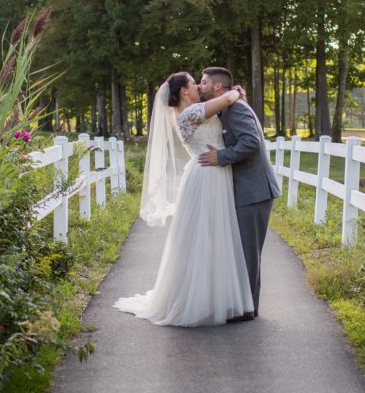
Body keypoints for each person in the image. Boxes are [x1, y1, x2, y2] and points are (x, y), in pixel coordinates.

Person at [114, 72, 255, 326]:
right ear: (183, 92)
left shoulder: (195, 110)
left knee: (214, 237)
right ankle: (195, 300)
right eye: (193, 83)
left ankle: (213, 297)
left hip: (213, 173)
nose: (197, 86)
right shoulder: (190, 113)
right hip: (207, 176)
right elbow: (225, 101)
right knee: (204, 238)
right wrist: (236, 92)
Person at [197, 67, 281, 321]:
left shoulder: (237, 109)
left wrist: (221, 157)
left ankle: (249, 309)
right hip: (244, 188)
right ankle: (242, 303)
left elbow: (251, 141)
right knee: (241, 249)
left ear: (218, 87)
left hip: (254, 190)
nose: (200, 87)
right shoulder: (226, 108)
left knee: (248, 251)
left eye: (203, 82)